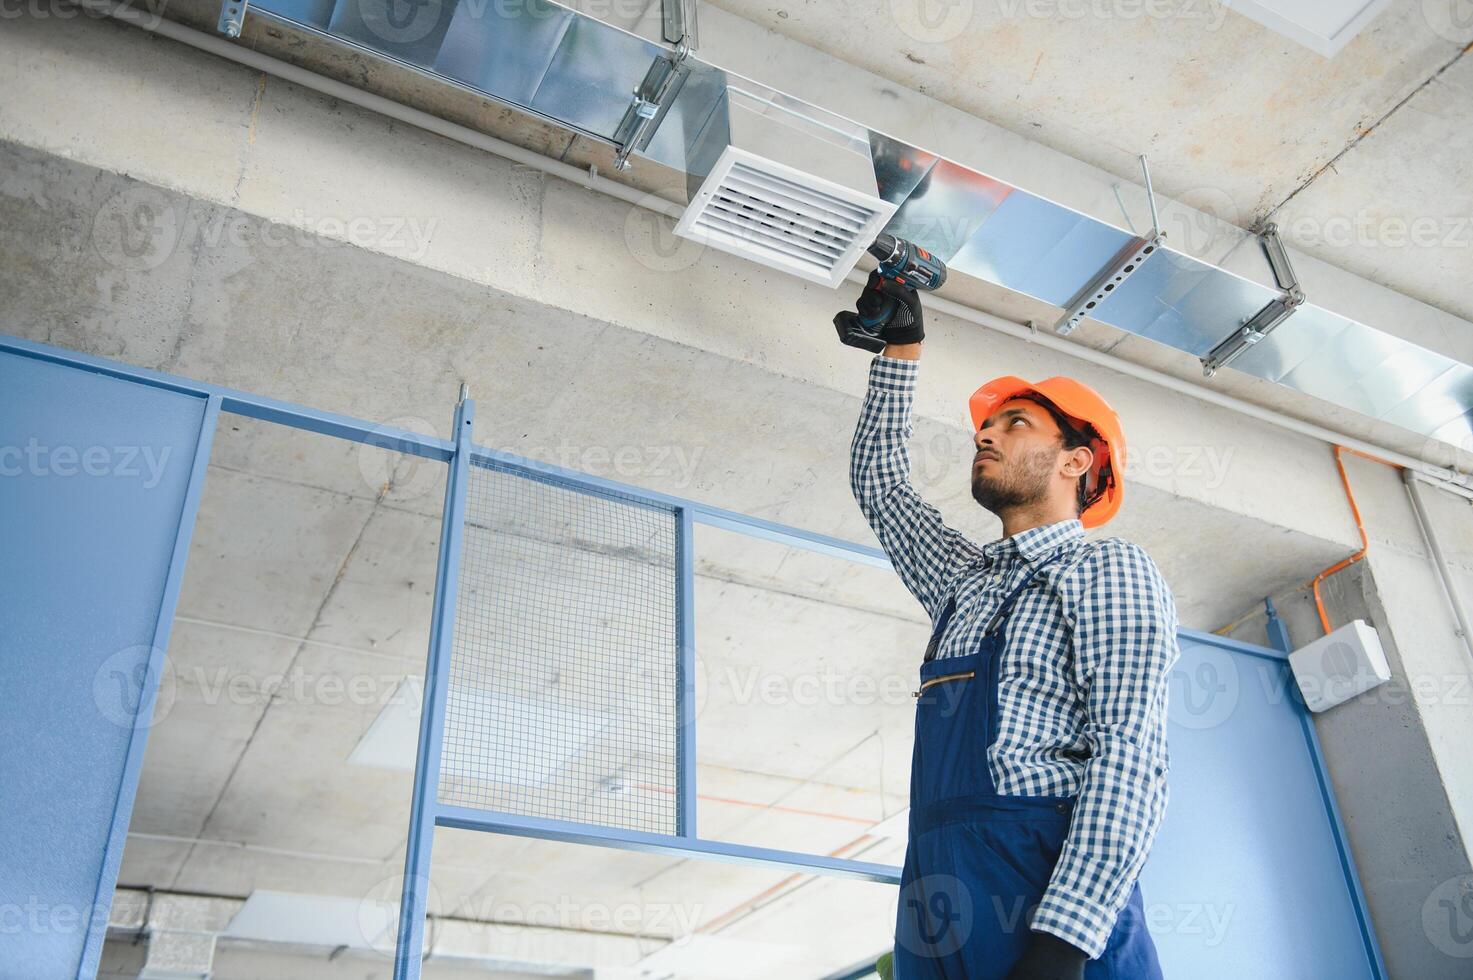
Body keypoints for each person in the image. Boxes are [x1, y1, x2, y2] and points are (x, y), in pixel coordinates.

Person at [843, 271, 1179, 979]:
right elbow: (880, 486)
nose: (985, 438)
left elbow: (1128, 753)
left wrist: (1063, 941)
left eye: (1013, 424)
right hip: (935, 880)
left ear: (1075, 460)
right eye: (983, 430)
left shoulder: (1105, 568)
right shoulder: (966, 584)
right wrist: (900, 350)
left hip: (1041, 879)